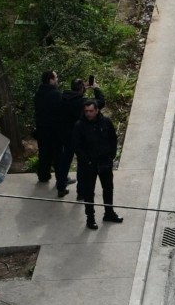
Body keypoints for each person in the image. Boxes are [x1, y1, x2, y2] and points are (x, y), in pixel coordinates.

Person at [73, 96, 123, 230]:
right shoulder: (80, 126)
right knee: (89, 192)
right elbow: (77, 146)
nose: (88, 113)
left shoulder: (105, 122)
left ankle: (109, 212)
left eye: (90, 111)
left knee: (108, 188)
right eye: (86, 111)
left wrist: (111, 155)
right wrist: (86, 161)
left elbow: (113, 139)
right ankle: (90, 218)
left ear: (96, 110)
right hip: (89, 165)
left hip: (104, 162)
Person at [33, 70, 75, 195]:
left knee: (44, 153)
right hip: (55, 130)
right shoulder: (56, 94)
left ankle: (43, 176)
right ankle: (61, 178)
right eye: (56, 77)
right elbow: (62, 110)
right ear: (50, 80)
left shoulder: (38, 93)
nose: (57, 79)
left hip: (41, 129)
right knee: (58, 156)